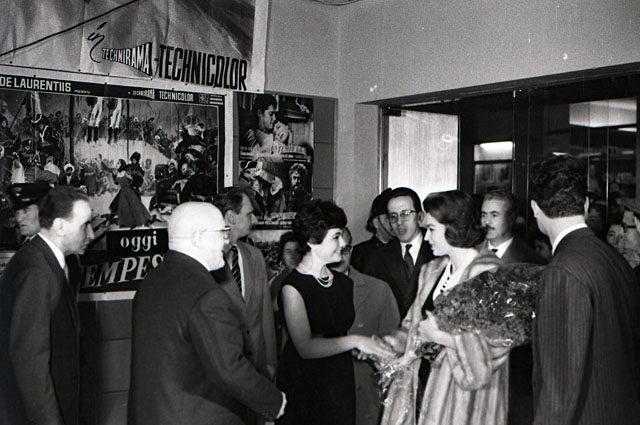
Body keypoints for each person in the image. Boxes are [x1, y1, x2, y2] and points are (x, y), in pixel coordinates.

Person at [128, 202, 285, 425]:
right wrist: (275, 402)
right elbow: (230, 369)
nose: (226, 241)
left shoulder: (152, 281)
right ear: (199, 238)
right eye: (222, 232)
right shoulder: (208, 295)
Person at [381, 189, 508, 425]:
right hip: (425, 390)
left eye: (431, 229)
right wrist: (387, 345)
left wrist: (440, 337)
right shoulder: (432, 271)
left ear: (453, 228)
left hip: (466, 402)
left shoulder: (488, 274)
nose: (426, 237)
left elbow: (495, 349)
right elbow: (411, 325)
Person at [529, 155, 640, 425]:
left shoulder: (561, 271)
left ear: (535, 208)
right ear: (586, 204)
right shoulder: (612, 257)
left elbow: (558, 391)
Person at [276, 200, 394, 425]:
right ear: (312, 241)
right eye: (336, 237)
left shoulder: (342, 282)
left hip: (339, 379)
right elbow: (305, 347)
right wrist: (356, 341)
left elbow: (336, 336)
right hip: (306, 385)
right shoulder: (292, 287)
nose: (343, 243)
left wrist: (370, 350)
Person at [0, 186, 95, 425]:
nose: (92, 234)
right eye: (84, 225)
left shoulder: (45, 262)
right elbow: (30, 364)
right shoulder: (36, 272)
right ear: (60, 227)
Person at [329, 226, 400, 425]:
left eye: (345, 250)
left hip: (365, 400)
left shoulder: (379, 290)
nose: (339, 256)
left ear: (351, 250)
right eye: (334, 249)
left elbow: (394, 351)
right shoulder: (304, 291)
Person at [211, 187, 279, 386]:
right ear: (231, 217)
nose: (254, 219)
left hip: (256, 369)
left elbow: (265, 312)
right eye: (249, 214)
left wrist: (271, 361)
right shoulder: (207, 260)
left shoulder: (254, 256)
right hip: (222, 371)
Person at [361, 187, 434, 318]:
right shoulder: (376, 258)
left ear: (420, 217)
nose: (399, 222)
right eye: (393, 216)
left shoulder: (438, 251)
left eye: (405, 214)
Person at [480, 189, 546, 265]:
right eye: (484, 215)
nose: (487, 221)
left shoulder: (530, 260)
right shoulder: (472, 253)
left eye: (494, 215)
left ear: (511, 218)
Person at [351, 188, 395, 271]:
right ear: (376, 222)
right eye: (389, 217)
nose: (395, 221)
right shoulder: (359, 254)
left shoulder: (406, 249)